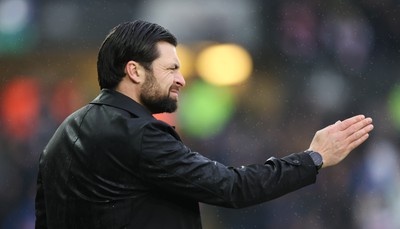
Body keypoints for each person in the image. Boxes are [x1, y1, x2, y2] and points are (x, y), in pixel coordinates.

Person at [35, 20, 374, 229]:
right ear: (134, 71)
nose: (181, 80)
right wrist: (313, 158)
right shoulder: (138, 134)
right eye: (170, 69)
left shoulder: (63, 135)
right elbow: (230, 187)